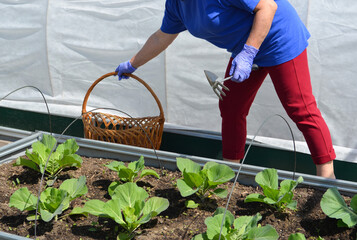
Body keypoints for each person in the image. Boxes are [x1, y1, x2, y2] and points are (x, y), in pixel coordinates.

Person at [115, 0, 336, 179]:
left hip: (279, 36)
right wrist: (133, 64)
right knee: (231, 106)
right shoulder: (177, 4)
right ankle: (230, 170)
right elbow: (161, 36)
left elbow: (268, 6)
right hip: (246, 46)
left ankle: (328, 178)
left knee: (300, 108)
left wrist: (249, 53)